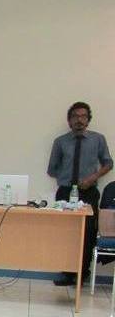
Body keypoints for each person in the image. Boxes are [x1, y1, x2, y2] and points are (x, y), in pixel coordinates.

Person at [47, 101, 112, 286]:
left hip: (88, 192)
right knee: (65, 233)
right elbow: (52, 169)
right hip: (66, 192)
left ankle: (83, 273)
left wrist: (92, 177)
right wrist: (67, 177)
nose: (79, 120)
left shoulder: (98, 139)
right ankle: (67, 273)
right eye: (75, 116)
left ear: (88, 120)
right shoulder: (60, 142)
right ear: (69, 120)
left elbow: (108, 163)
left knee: (88, 232)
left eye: (83, 116)